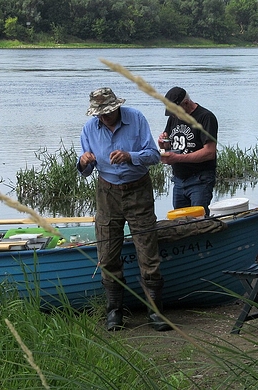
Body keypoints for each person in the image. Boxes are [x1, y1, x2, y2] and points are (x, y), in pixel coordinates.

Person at [77, 87, 170, 332]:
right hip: (106, 192)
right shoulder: (89, 128)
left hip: (138, 189)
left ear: (117, 107)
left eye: (107, 113)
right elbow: (85, 170)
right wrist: (83, 162)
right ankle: (115, 313)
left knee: (148, 252)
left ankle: (156, 313)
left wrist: (130, 156)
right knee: (107, 253)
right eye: (99, 114)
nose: (103, 117)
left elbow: (153, 156)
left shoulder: (136, 118)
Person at [158, 87, 218, 215]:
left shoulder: (205, 117)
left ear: (186, 103)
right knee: (179, 222)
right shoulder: (174, 118)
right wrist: (162, 144)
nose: (174, 115)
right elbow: (169, 146)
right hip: (178, 180)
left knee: (198, 221)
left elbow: (209, 153)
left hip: (199, 179)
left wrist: (177, 158)